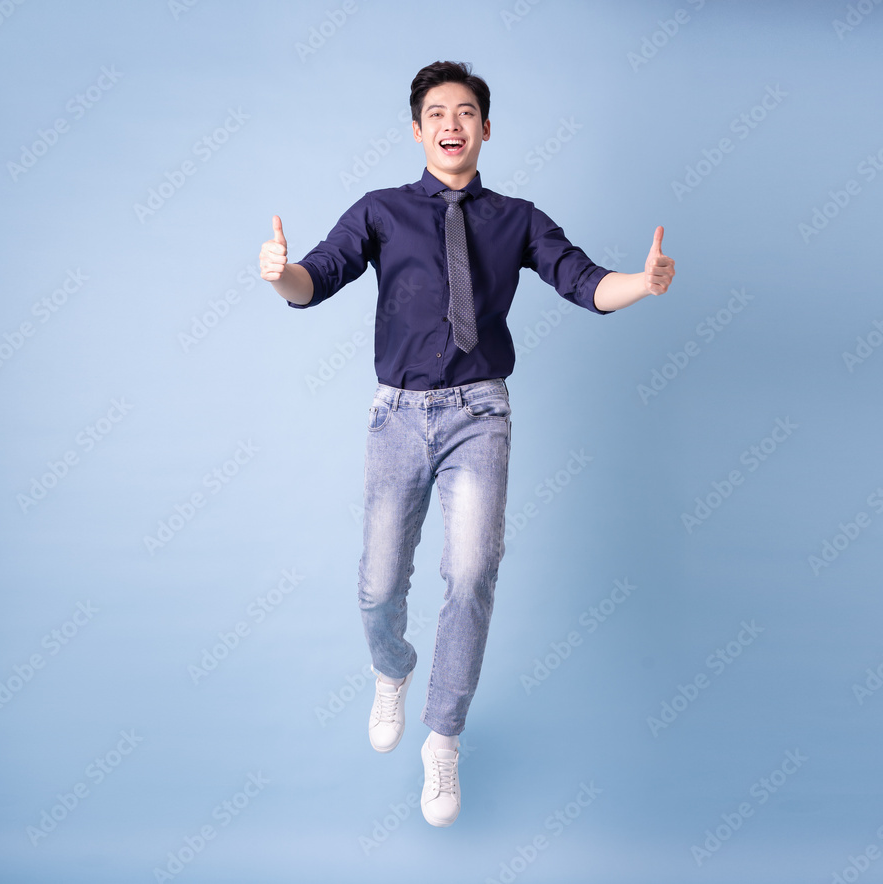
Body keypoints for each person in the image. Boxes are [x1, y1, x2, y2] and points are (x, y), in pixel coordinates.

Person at [258, 60, 675, 827]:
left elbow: (584, 283)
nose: (453, 123)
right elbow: (317, 278)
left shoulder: (516, 218)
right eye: (438, 113)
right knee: (379, 585)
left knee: (473, 569)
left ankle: (443, 736)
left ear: (486, 128)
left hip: (479, 413)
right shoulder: (381, 210)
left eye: (467, 111)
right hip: (398, 416)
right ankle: (393, 668)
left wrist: (640, 282)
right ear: (418, 130)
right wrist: (281, 275)